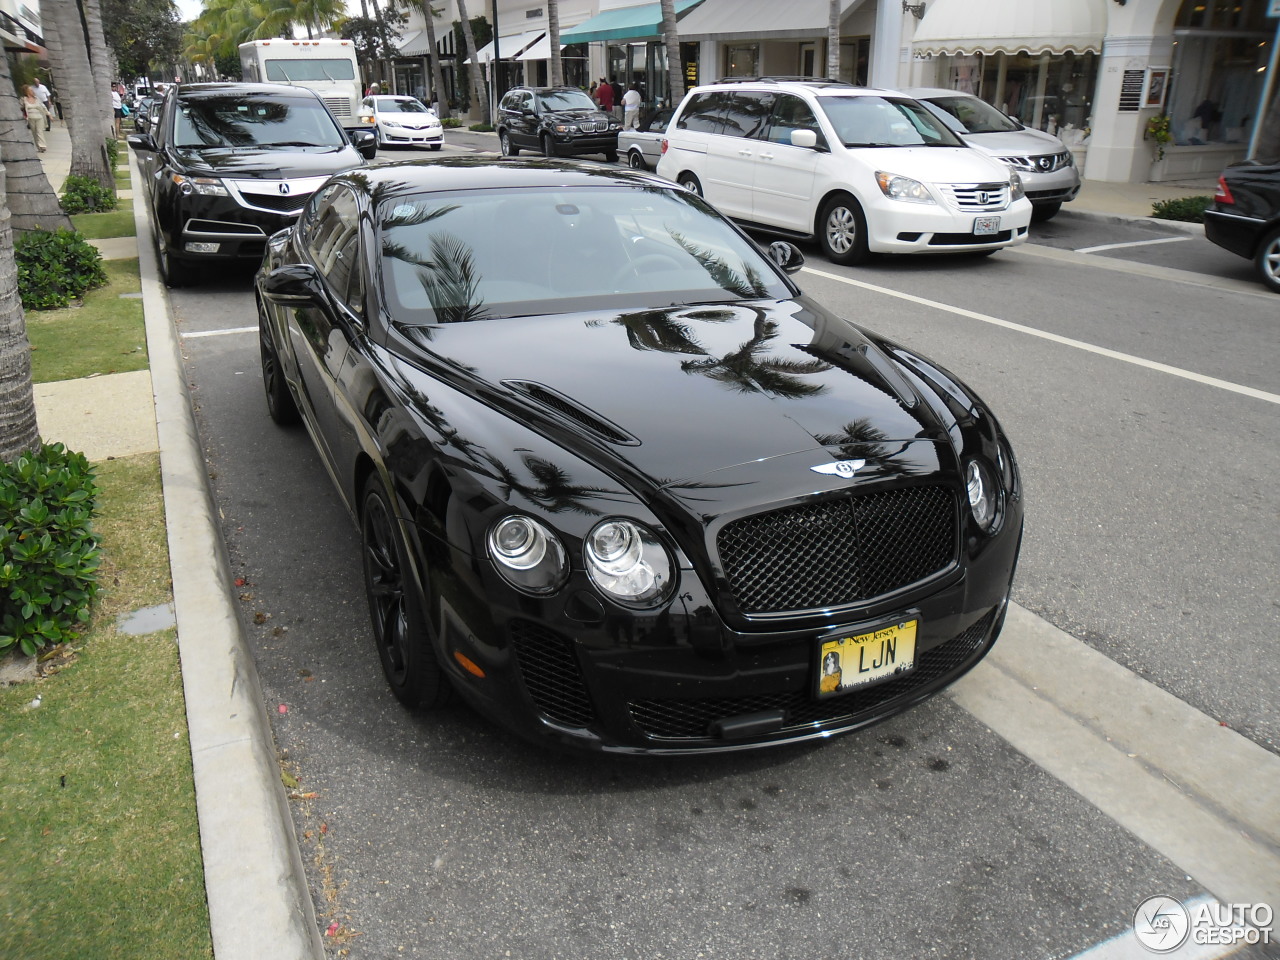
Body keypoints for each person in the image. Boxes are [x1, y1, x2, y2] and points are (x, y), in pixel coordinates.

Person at [22, 85, 51, 152]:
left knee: (39, 131)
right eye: (31, 90)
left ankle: (42, 145)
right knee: (34, 132)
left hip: (39, 117)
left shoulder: (37, 99)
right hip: (31, 118)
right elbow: (22, 108)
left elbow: (43, 107)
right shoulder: (24, 99)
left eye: (32, 90)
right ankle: (38, 146)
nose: (33, 91)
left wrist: (49, 114)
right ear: (27, 91)